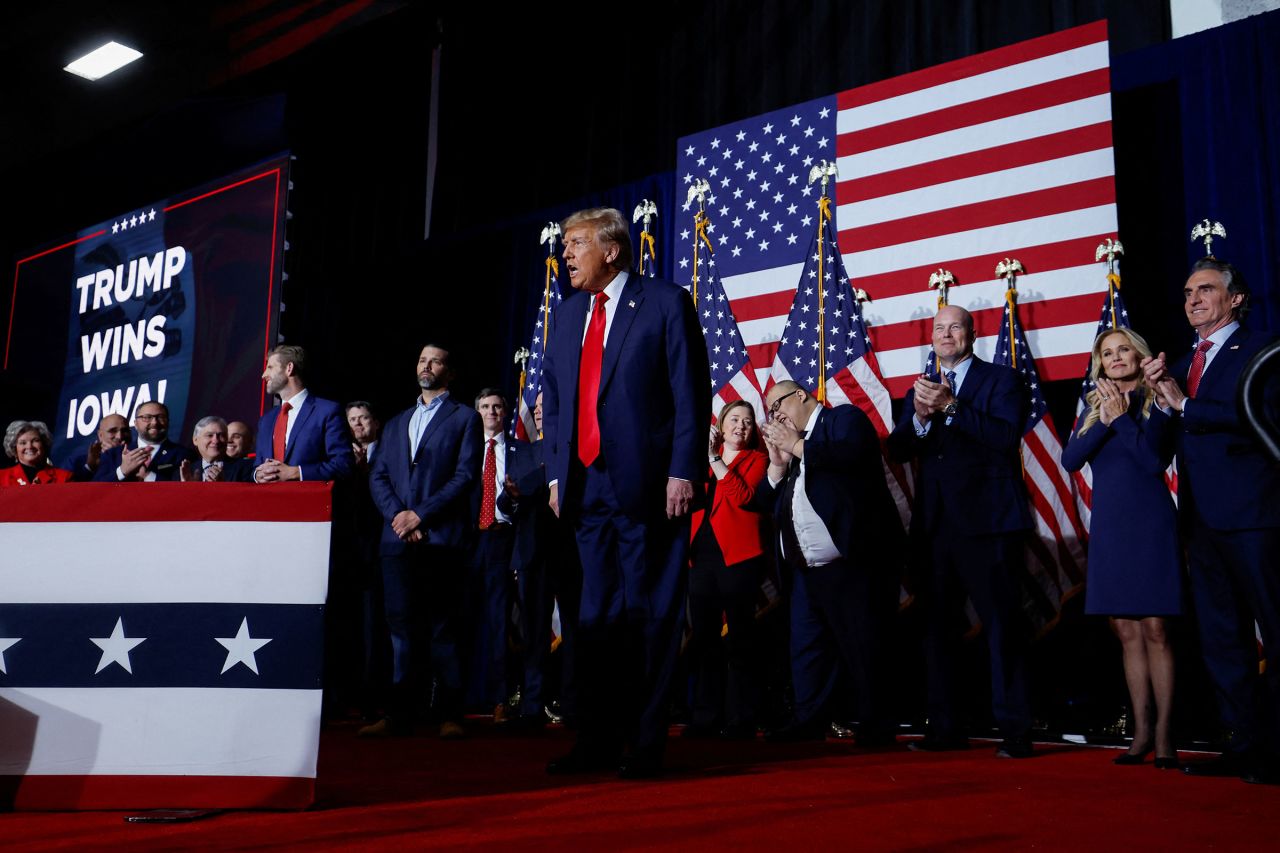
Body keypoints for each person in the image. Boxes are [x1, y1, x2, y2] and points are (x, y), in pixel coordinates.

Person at [541, 206, 710, 778]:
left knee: (648, 614)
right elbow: (557, 400)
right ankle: (595, 741)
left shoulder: (664, 302)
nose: (566, 253)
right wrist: (557, 473)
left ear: (612, 249)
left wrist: (684, 470)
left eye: (577, 243)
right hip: (584, 488)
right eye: (565, 244)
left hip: (649, 486)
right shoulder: (564, 317)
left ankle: (645, 745)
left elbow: (691, 394)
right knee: (593, 619)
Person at [1142, 258, 1280, 784]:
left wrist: (1185, 407)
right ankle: (1246, 746)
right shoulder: (1177, 367)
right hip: (1200, 525)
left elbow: (1263, 420)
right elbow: (1157, 453)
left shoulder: (1265, 351)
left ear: (1235, 298)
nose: (1193, 299)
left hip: (1255, 519)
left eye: (1205, 289)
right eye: (1187, 292)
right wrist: (1156, 403)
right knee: (1223, 640)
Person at [887, 305, 1035, 759]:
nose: (945, 334)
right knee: (936, 630)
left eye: (954, 327)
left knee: (1001, 629)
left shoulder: (1001, 380)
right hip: (936, 530)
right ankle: (944, 728)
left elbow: (1004, 437)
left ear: (972, 334)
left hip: (989, 525)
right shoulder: (923, 388)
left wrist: (951, 407)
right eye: (938, 328)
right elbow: (896, 448)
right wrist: (919, 416)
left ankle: (1015, 733)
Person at [752, 382, 903, 745]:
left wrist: (796, 445)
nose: (776, 417)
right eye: (770, 413)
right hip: (805, 571)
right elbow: (760, 502)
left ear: (802, 396)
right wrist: (776, 463)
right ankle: (809, 722)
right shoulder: (791, 449)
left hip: (851, 563)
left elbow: (853, 455)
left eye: (778, 406)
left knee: (863, 646)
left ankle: (876, 727)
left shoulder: (842, 419)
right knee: (808, 649)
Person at [1062, 328, 1181, 769]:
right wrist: (1106, 416)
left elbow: (1152, 462)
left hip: (1151, 528)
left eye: (1122, 350)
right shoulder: (1095, 408)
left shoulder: (1160, 401)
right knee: (1126, 632)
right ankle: (1141, 730)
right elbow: (1071, 460)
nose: (1114, 357)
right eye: (1106, 353)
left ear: (1139, 355)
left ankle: (1167, 732)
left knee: (1155, 630)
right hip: (1111, 530)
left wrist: (1122, 420)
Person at [361, 344, 481, 739]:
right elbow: (378, 476)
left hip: (441, 539)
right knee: (400, 629)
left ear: (450, 371)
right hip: (397, 541)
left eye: (435, 360)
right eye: (421, 360)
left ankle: (449, 713)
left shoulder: (464, 418)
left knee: (443, 628)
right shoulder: (397, 421)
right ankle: (399, 713)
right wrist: (399, 516)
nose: (425, 366)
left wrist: (421, 515)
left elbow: (464, 477)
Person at [683, 400, 770, 740]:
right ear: (721, 424)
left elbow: (742, 496)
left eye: (747, 421)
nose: (741, 426)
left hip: (738, 559)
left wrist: (715, 460)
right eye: (734, 419)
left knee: (740, 639)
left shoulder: (758, 459)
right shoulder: (700, 460)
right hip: (701, 558)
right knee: (704, 638)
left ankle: (741, 718)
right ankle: (705, 716)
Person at [499, 391, 583, 727]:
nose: (537, 414)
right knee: (533, 633)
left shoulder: (575, 449)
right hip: (532, 554)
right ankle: (532, 706)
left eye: (545, 409)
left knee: (577, 630)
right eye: (535, 408)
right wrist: (516, 496)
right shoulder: (521, 451)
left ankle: (574, 704)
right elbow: (506, 504)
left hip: (571, 552)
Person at [465, 388, 530, 720]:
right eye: (485, 406)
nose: (491, 412)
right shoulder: (466, 449)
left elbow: (527, 502)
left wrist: (515, 497)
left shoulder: (520, 451)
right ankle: (453, 697)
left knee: (499, 619)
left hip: (503, 540)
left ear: (506, 413)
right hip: (467, 541)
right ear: (477, 412)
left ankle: (499, 698)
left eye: (497, 407)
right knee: (461, 618)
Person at [254, 345, 353, 484]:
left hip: (307, 501)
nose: (263, 375)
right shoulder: (266, 420)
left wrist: (296, 472)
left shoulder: (327, 411)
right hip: (268, 502)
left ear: (289, 368)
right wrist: (257, 475)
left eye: (270, 367)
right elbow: (257, 466)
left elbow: (343, 464)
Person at [93, 401, 194, 482]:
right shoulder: (113, 454)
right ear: (136, 424)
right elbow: (94, 490)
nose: (154, 422)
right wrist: (122, 471)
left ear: (168, 422)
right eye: (147, 418)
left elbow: (181, 492)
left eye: (160, 417)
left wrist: (148, 476)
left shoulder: (184, 455)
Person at [180, 416, 255, 482]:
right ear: (195, 440)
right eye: (209, 435)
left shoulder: (245, 469)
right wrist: (189, 488)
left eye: (221, 435)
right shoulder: (183, 473)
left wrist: (221, 486)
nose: (216, 440)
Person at [0, 421, 73, 486]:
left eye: (35, 441)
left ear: (44, 444)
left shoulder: (64, 477)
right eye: (23, 443)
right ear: (14, 448)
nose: (29, 446)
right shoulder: (2, 477)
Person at [65, 414, 130, 481]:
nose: (119, 436)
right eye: (112, 431)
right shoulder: (78, 462)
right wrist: (89, 467)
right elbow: (70, 488)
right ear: (100, 435)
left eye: (125, 431)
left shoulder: (136, 455)